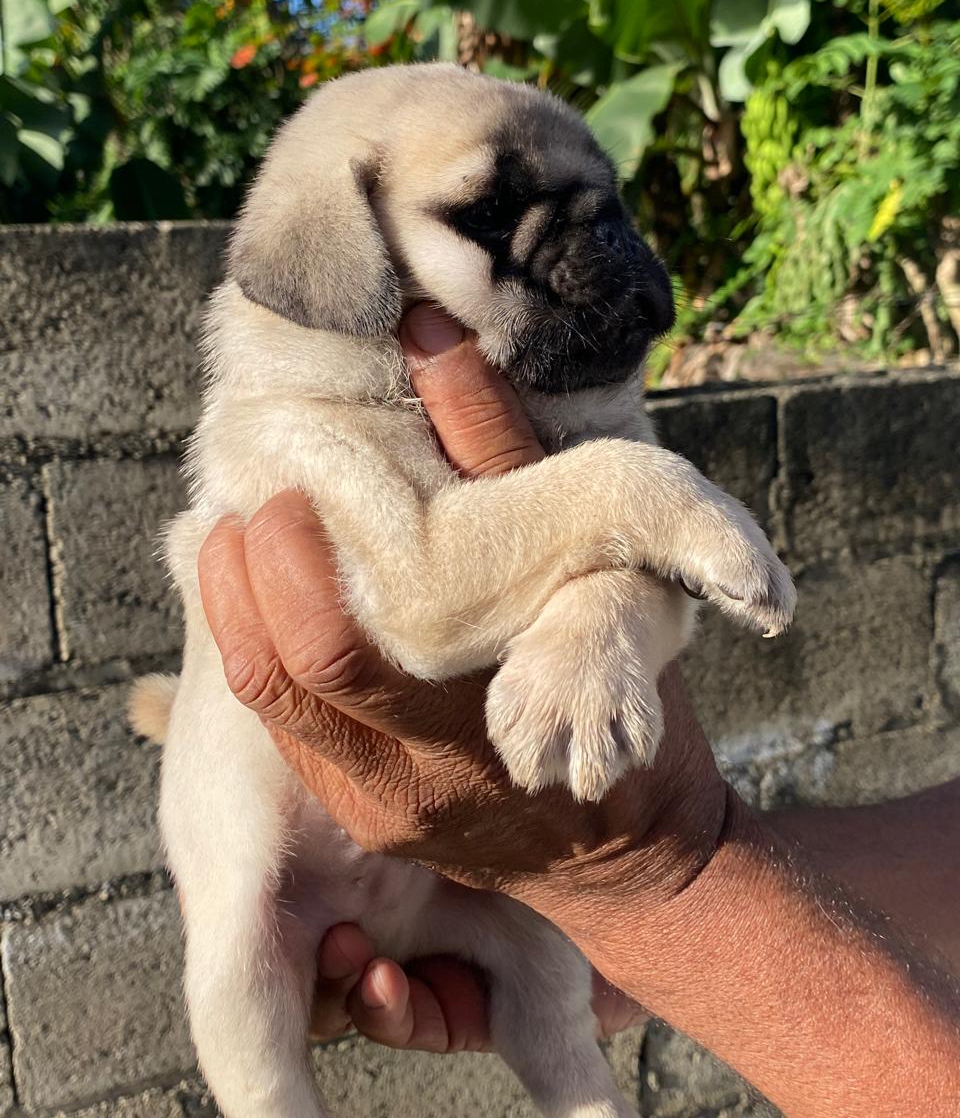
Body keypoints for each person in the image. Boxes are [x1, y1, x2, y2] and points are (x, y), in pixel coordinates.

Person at [197, 303, 960, 1117]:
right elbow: (422, 605)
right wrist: (656, 902)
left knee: (551, 1012)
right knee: (247, 995)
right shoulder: (305, 394)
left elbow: (647, 580)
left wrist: (664, 884)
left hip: (458, 893)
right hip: (298, 852)